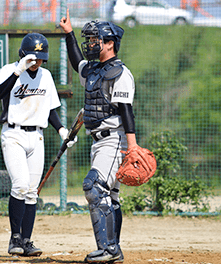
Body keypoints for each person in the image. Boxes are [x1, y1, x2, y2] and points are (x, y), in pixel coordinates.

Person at [59, 10, 137, 263]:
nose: (91, 44)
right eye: (89, 40)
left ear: (110, 43)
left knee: (93, 186)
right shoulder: (93, 71)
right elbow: (76, 62)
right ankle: (113, 249)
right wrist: (69, 33)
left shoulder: (120, 73)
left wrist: (132, 147)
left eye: (95, 40)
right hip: (98, 141)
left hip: (114, 139)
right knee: (110, 196)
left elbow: (126, 111)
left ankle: (108, 249)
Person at [0, 32, 76, 257]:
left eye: (40, 58)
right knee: (20, 184)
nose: (36, 61)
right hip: (14, 134)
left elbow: (50, 109)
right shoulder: (9, 71)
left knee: (31, 192)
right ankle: (15, 238)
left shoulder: (46, 76)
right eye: (32, 57)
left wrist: (62, 131)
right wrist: (18, 70)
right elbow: (0, 92)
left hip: (36, 136)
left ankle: (27, 240)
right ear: (22, 54)